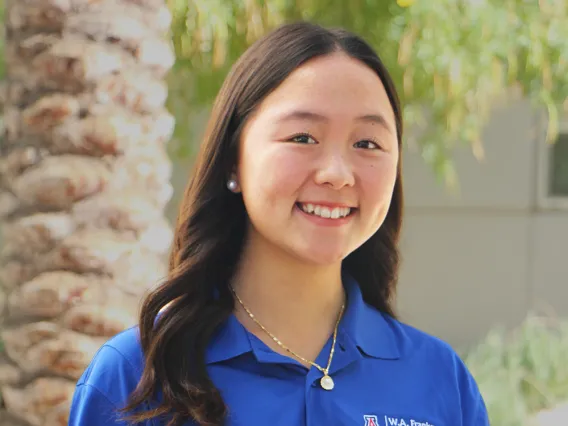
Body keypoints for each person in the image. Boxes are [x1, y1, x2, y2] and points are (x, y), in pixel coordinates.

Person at [68, 21, 490, 426]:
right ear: (233, 159)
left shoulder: (440, 380)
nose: (337, 173)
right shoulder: (136, 376)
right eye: (303, 138)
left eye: (367, 143)